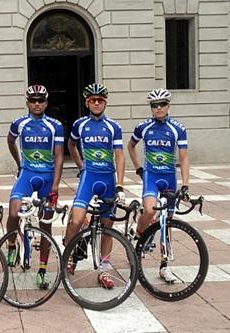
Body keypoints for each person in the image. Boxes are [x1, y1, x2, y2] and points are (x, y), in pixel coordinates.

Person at [63, 83, 125, 289]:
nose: (96, 103)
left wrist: (121, 185)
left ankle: (104, 269)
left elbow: (119, 155)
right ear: (87, 102)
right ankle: (70, 256)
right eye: (92, 100)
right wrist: (80, 165)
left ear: (105, 102)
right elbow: (71, 144)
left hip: (108, 178)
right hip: (89, 177)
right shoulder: (80, 124)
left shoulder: (113, 126)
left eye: (100, 100)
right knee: (76, 220)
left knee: (108, 226)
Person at [127, 88, 190, 283]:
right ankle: (138, 236)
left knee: (167, 221)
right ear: (151, 108)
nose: (158, 108)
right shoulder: (143, 127)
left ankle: (165, 266)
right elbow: (130, 146)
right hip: (152, 176)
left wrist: (186, 184)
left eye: (162, 104)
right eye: (155, 105)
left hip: (169, 177)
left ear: (168, 106)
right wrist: (138, 167)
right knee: (149, 210)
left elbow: (184, 157)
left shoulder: (178, 128)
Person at [5, 84, 64, 289]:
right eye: (33, 100)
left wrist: (55, 186)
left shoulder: (55, 125)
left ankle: (42, 270)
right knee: (13, 211)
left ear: (46, 103)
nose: (37, 104)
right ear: (27, 103)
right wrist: (20, 162)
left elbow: (58, 156)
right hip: (27, 175)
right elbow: (10, 141)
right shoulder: (19, 123)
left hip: (47, 177)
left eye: (40, 100)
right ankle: (12, 244)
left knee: (46, 223)